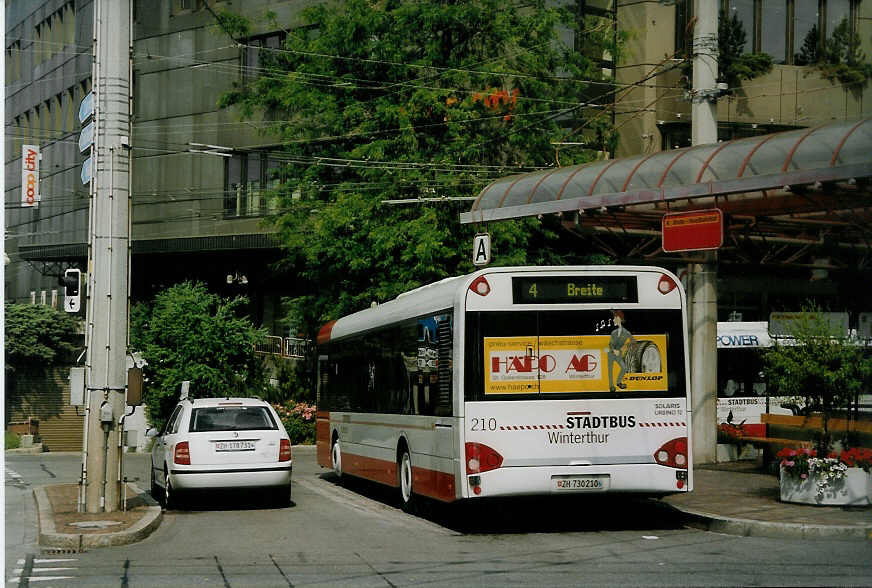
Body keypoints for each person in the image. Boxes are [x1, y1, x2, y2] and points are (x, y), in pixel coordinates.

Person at [607, 310, 635, 392]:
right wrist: (613, 350)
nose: (613, 320)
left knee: (624, 368)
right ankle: (611, 386)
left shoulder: (626, 333)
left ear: (619, 318)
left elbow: (633, 342)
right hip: (611, 354)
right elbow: (610, 344)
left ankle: (619, 382)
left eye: (614, 318)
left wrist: (623, 349)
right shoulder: (613, 332)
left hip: (619, 354)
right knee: (610, 370)